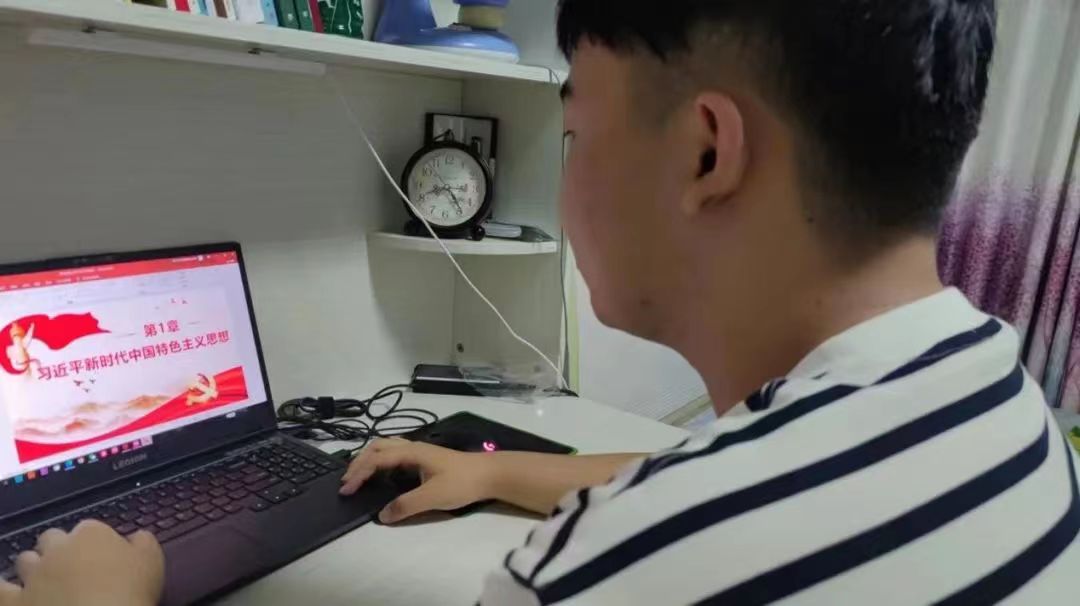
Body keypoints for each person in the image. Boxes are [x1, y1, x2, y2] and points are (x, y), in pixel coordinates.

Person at [4, 0, 1079, 604]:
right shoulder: (998, 395)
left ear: (706, 153)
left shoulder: (609, 575)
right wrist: (503, 469)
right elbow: (760, 474)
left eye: (573, 135)